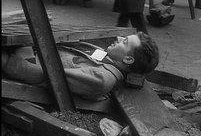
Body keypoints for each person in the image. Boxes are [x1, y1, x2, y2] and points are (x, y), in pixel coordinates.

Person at [2, 32, 159, 100]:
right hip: (28, 48)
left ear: (128, 59)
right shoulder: (106, 57)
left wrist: (7, 62)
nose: (119, 38)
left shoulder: (102, 79)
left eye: (124, 42)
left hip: (20, 61)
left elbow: (50, 75)